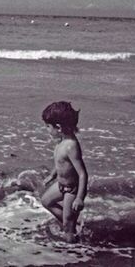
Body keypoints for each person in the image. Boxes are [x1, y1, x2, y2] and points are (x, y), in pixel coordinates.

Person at [40, 101, 88, 242]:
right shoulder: (61, 140)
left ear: (59, 127)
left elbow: (82, 174)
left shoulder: (71, 146)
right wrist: (53, 174)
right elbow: (61, 162)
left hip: (72, 189)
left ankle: (72, 251)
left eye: (48, 127)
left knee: (67, 227)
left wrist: (79, 197)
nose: (47, 130)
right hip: (61, 185)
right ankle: (72, 223)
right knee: (46, 201)